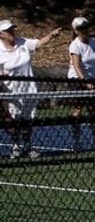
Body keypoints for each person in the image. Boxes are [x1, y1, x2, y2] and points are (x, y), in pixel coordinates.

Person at [0, 18, 64, 158]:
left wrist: (51, 35)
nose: (12, 32)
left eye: (12, 29)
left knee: (28, 120)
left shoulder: (22, 42)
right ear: (1, 34)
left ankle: (28, 147)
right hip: (11, 91)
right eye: (8, 30)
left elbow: (39, 43)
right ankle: (16, 146)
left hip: (29, 90)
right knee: (15, 120)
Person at [66, 16, 95, 151]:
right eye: (82, 28)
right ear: (76, 30)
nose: (86, 30)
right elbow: (76, 66)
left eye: (86, 27)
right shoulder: (75, 45)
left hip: (92, 80)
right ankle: (77, 142)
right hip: (77, 80)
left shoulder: (94, 43)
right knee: (78, 110)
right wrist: (85, 82)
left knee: (93, 111)